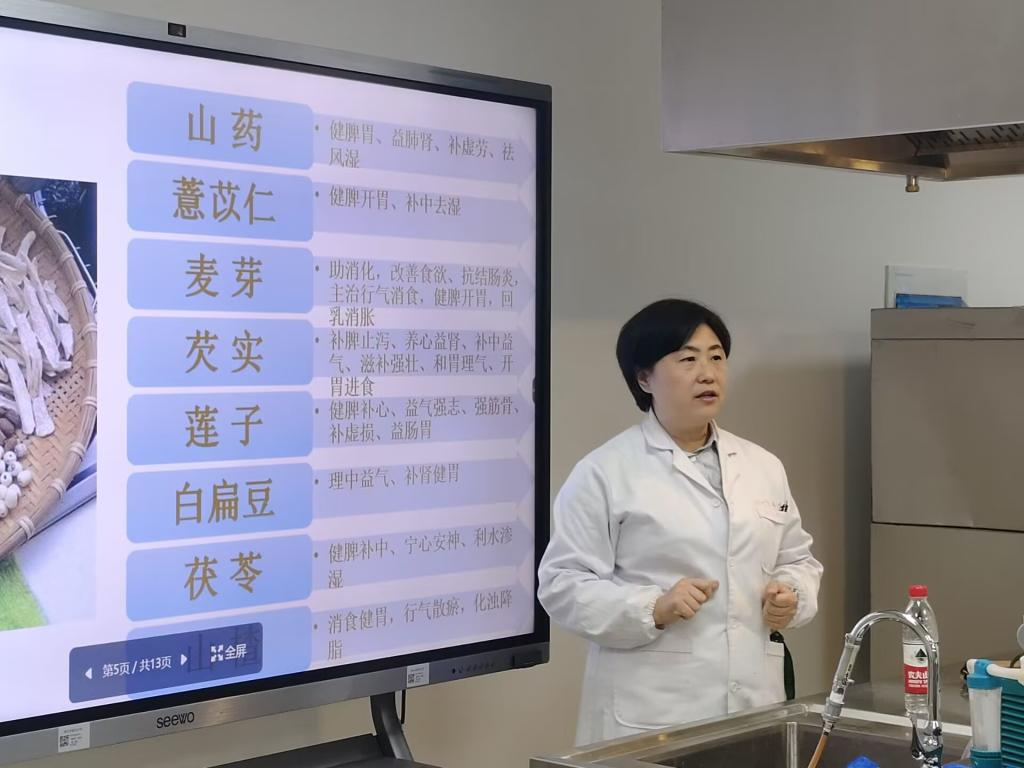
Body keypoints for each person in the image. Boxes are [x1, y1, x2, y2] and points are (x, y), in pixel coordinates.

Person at [538, 298, 823, 745]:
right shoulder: (605, 471)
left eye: (716, 357)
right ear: (644, 378)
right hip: (652, 713)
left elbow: (798, 559)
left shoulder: (762, 465)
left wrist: (792, 595)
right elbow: (562, 585)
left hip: (754, 703)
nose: (707, 373)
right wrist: (653, 607)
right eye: (688, 360)